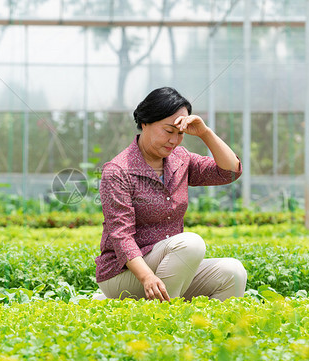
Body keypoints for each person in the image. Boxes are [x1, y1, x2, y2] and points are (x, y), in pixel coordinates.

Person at [94, 87, 246, 302]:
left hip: (172, 264)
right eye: (168, 131)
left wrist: (205, 132)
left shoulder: (181, 159)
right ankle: (162, 320)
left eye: (180, 133)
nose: (174, 141)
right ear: (145, 123)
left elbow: (229, 172)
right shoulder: (118, 171)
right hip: (124, 274)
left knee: (233, 272)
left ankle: (203, 331)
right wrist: (147, 277)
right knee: (190, 244)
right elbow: (121, 236)